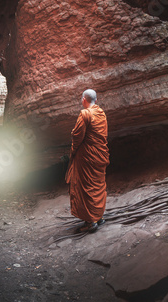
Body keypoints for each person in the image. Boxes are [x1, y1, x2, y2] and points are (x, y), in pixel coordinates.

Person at [65, 89, 109, 233]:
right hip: (100, 155)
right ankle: (98, 217)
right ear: (95, 101)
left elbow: (77, 136)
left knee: (86, 188)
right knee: (97, 185)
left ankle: (90, 222)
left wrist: (73, 151)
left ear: (84, 99)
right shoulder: (102, 114)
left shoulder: (85, 114)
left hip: (87, 157)